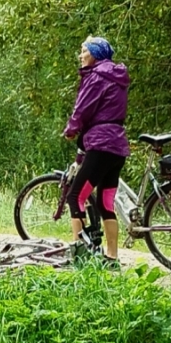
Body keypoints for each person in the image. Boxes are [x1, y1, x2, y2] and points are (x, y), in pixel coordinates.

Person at [62, 36, 130, 263]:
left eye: (84, 51)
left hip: (100, 145)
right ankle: (112, 257)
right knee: (105, 203)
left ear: (95, 54)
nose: (81, 56)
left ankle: (79, 254)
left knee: (75, 196)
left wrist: (71, 129)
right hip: (117, 147)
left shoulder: (97, 76)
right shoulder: (118, 77)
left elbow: (83, 108)